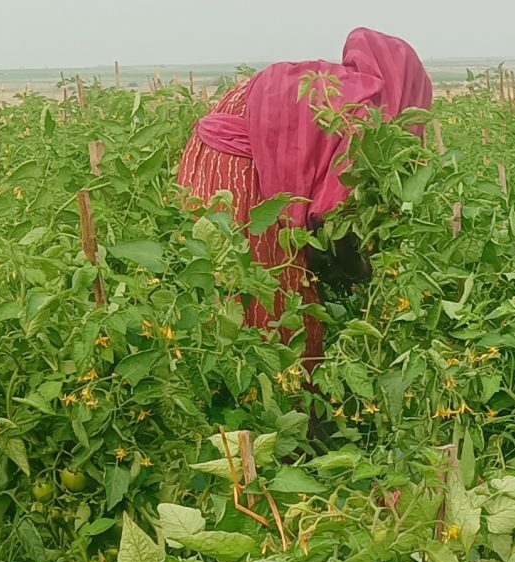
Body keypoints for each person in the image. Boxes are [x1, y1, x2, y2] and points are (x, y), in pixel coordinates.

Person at [173, 28, 431, 360]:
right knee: (273, 296)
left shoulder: (338, 84)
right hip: (241, 174)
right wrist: (358, 271)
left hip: (205, 163)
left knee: (212, 283)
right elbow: (332, 214)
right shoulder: (366, 116)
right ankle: (277, 397)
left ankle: (214, 378)